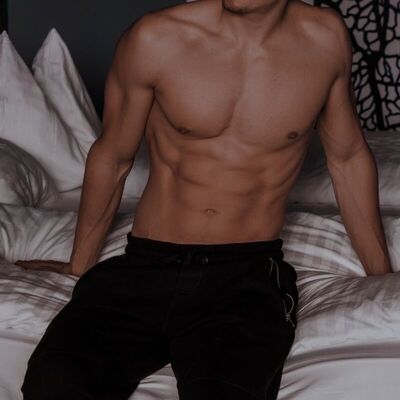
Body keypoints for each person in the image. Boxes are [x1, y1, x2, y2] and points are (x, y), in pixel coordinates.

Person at [17, 0, 393, 399]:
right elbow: (113, 157)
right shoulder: (156, 38)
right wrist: (79, 264)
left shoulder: (324, 39)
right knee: (53, 384)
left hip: (245, 276)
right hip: (145, 265)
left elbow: (347, 158)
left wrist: (382, 275)